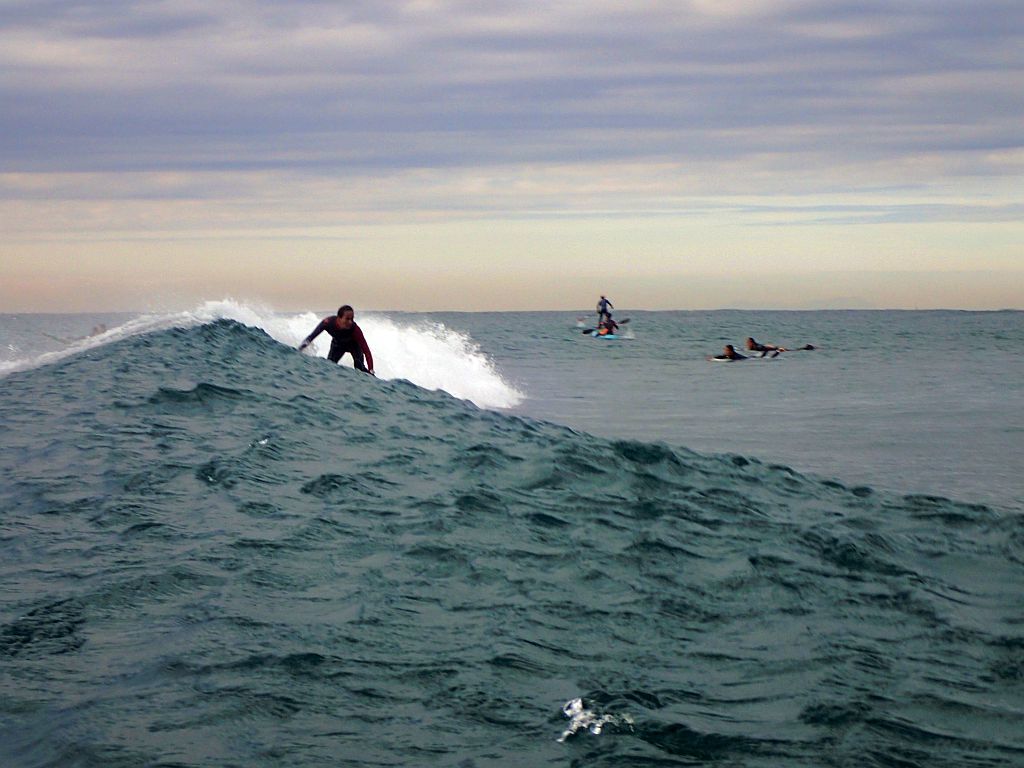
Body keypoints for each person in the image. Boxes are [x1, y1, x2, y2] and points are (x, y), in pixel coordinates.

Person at [299, 305, 375, 374]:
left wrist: (371, 370)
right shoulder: (327, 322)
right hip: (338, 345)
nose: (350, 322)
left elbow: (366, 351)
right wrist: (299, 350)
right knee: (329, 365)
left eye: (352, 319)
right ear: (339, 318)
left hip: (354, 346)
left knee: (360, 368)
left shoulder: (355, 330)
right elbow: (311, 337)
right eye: (347, 319)